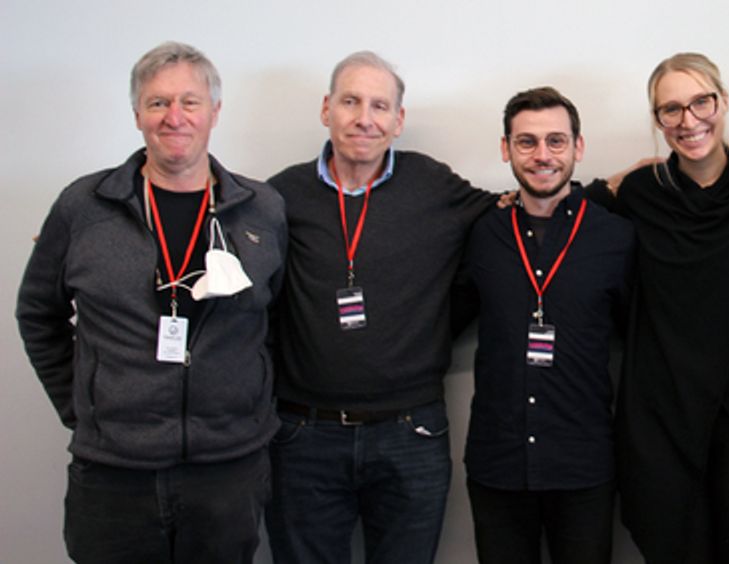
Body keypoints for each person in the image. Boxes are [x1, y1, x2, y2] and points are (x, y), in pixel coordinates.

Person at [15, 41, 285, 564]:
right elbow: (37, 314)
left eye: (190, 101)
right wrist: (84, 406)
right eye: (158, 103)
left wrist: (249, 400)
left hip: (227, 470)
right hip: (114, 473)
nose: (174, 117)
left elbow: (276, 317)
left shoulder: (261, 209)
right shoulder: (84, 206)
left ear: (215, 112)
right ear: (137, 113)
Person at [265, 51, 495, 564]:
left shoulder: (431, 184)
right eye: (350, 101)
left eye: (378, 105)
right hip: (303, 435)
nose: (364, 118)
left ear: (398, 120)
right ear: (327, 109)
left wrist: (611, 190)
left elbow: (513, 211)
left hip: (410, 431)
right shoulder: (281, 196)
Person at [586, 52, 729, 564]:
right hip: (663, 414)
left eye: (701, 102)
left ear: (723, 102)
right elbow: (569, 213)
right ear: (657, 121)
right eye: (671, 110)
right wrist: (616, 177)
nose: (689, 121)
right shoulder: (640, 192)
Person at [458, 86, 634, 564]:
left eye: (556, 141)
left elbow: (639, 338)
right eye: (526, 142)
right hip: (498, 465)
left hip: (583, 464)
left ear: (578, 148)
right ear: (505, 149)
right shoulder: (481, 232)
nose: (542, 156)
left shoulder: (616, 236)